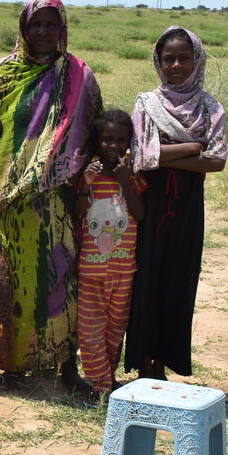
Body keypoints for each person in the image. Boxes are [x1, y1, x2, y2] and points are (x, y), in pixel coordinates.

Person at [0, 0, 101, 392]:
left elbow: (90, 130)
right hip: (3, 200)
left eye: (51, 24)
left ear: (62, 28)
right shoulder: (5, 71)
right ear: (23, 28)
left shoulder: (78, 75)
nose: (43, 32)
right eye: (36, 25)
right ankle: (12, 362)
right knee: (5, 281)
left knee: (59, 279)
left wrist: (66, 171)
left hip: (54, 200)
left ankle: (66, 366)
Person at [126, 26, 227, 380]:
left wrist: (160, 155)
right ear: (158, 62)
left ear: (197, 60)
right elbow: (139, 156)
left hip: (187, 207)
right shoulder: (146, 103)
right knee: (147, 277)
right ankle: (145, 363)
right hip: (149, 204)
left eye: (184, 58)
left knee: (179, 280)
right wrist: (192, 147)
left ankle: (166, 362)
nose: (176, 65)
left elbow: (216, 161)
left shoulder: (210, 106)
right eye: (168, 59)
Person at [75, 109, 146, 400]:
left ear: (129, 143)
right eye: (106, 140)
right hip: (91, 272)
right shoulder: (88, 176)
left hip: (123, 270)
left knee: (115, 332)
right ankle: (101, 386)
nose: (113, 146)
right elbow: (77, 214)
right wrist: (84, 187)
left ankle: (107, 380)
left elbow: (139, 215)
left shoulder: (132, 176)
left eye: (120, 140)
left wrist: (125, 180)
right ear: (97, 142)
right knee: (91, 333)